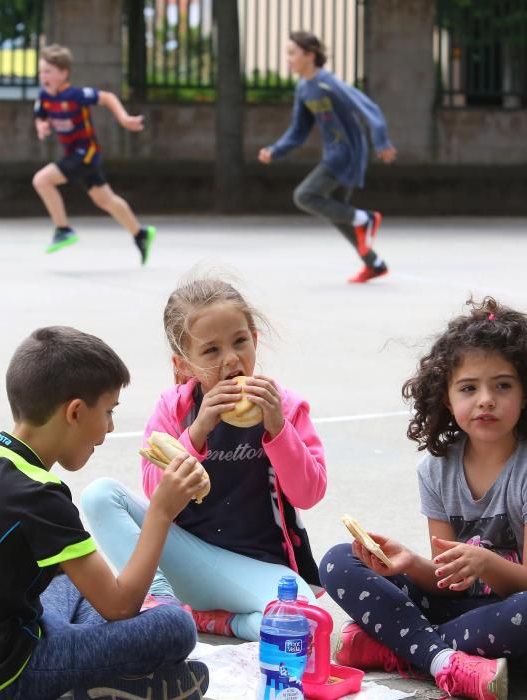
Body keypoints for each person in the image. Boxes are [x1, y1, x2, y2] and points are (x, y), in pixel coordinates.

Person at [0, 326, 210, 700]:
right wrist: (161, 512)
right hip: (4, 678)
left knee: (73, 580)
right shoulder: (38, 496)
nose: (110, 428)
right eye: (108, 412)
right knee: (176, 625)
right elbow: (119, 607)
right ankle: (113, 679)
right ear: (74, 411)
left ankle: (110, 676)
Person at [320, 297, 527, 700]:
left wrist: (486, 563)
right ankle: (444, 660)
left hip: (523, 622)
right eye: (468, 387)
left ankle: (398, 645)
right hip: (459, 612)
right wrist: (409, 563)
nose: (486, 399)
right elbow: (449, 584)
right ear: (446, 398)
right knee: (340, 560)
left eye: (502, 385)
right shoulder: (437, 468)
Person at [81, 277, 326, 641]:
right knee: (99, 494)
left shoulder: (285, 407)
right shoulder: (174, 409)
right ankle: (159, 599)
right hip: (186, 560)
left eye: (240, 342)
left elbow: (310, 493)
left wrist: (278, 429)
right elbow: (156, 494)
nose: (230, 359)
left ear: (255, 341)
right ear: (184, 366)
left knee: (303, 626)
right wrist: (196, 433)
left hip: (256, 570)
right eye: (211, 351)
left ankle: (218, 621)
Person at [258, 31, 397, 284]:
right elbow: (298, 130)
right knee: (337, 211)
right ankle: (374, 264)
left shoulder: (328, 83)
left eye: (292, 53)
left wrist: (382, 141)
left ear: (310, 55)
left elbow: (369, 108)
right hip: (335, 152)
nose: (288, 59)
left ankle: (365, 218)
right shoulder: (303, 88)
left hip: (347, 154)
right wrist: (275, 150)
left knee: (305, 195)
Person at [32, 44, 156, 264]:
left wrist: (124, 118)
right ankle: (141, 234)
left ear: (64, 73)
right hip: (75, 154)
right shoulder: (44, 97)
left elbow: (107, 97)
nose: (44, 76)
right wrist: (41, 125)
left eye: (48, 72)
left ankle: (63, 229)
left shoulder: (76, 95)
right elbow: (40, 115)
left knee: (42, 180)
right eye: (41, 72)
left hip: (85, 153)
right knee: (104, 199)